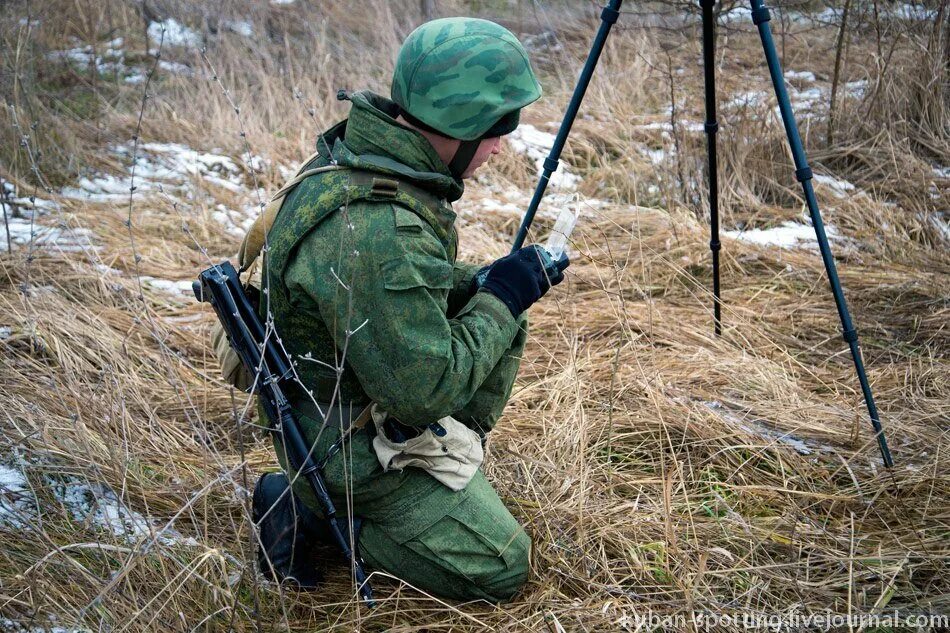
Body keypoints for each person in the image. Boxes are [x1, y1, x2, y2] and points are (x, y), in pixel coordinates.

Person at [247, 17, 568, 603]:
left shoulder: (360, 159)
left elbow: (386, 295)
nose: (502, 145)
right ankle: (322, 515)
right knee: (500, 565)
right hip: (344, 443)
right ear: (461, 123)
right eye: (499, 127)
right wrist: (499, 299)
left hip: (340, 398)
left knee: (495, 301)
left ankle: (428, 476)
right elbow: (422, 391)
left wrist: (487, 284)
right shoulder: (378, 226)